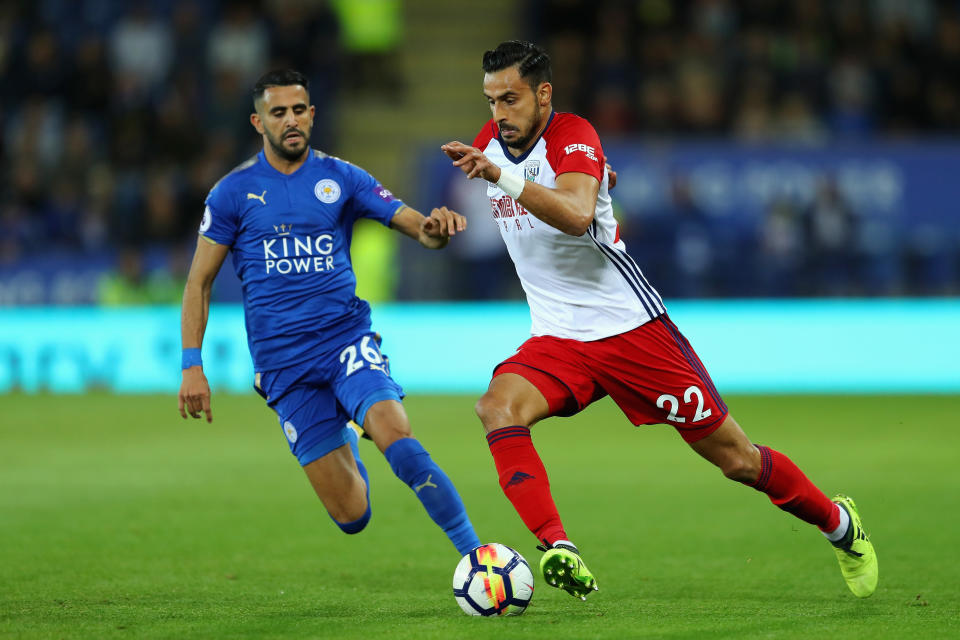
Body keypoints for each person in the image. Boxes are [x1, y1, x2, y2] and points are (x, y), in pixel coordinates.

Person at [442, 41, 877, 601]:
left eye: (511, 99)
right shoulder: (491, 145)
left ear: (543, 94)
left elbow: (576, 216)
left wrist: (524, 178)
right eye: (491, 101)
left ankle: (841, 526)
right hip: (558, 337)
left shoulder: (574, 133)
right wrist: (439, 223)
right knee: (497, 407)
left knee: (737, 460)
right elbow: (557, 189)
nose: (499, 114)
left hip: (632, 332)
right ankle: (558, 549)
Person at [178, 69, 481, 559]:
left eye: (299, 110)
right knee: (352, 515)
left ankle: (477, 556)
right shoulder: (232, 193)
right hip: (285, 367)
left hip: (346, 341)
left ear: (312, 114)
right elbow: (199, 282)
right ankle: (342, 432)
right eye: (278, 113)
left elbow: (419, 228)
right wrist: (192, 364)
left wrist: (438, 228)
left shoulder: (342, 177)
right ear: (259, 122)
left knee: (394, 431)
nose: (291, 120)